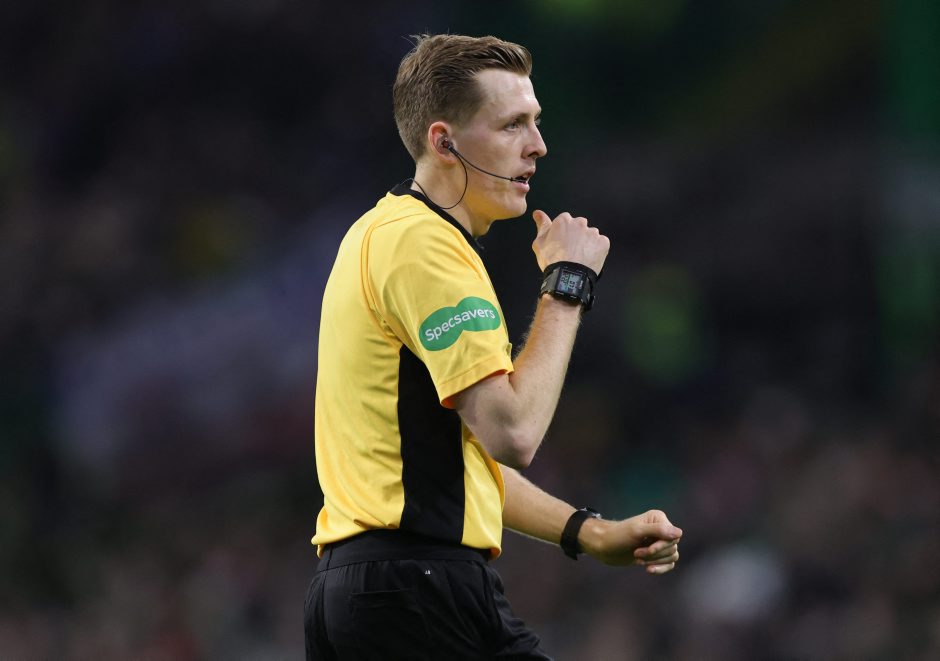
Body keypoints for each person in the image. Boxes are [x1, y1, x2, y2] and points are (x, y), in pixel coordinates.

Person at [305, 33, 682, 660]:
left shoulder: (382, 233)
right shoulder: (424, 246)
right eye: (512, 125)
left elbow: (459, 459)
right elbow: (513, 432)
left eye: (535, 122)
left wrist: (586, 531)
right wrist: (567, 283)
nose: (537, 145)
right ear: (443, 142)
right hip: (415, 591)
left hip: (375, 593)